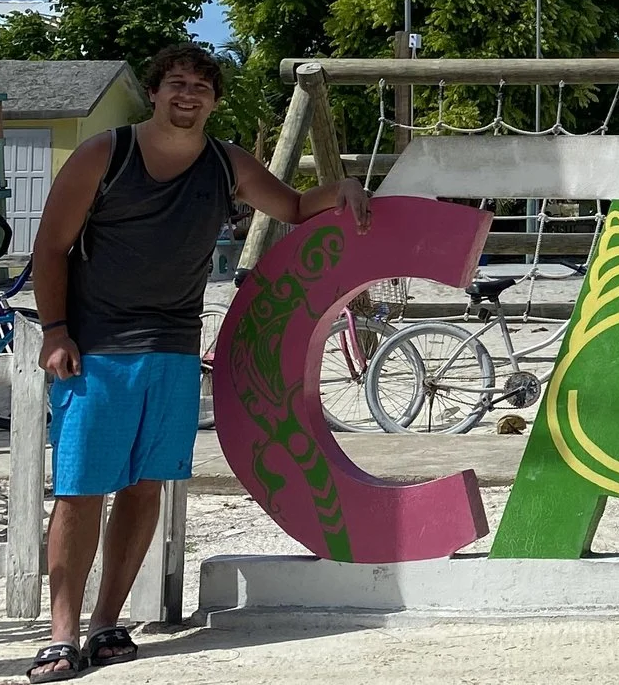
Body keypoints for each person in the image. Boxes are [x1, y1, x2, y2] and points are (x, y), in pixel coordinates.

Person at [24, 44, 370, 683]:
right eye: (177, 83)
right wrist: (55, 331)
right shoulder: (106, 153)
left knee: (144, 487)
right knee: (79, 492)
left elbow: (292, 207)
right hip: (97, 348)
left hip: (174, 346)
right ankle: (61, 634)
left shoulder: (225, 162)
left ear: (213, 100)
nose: (188, 95)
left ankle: (106, 625)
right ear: (154, 92)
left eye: (202, 88)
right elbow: (50, 247)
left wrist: (341, 188)